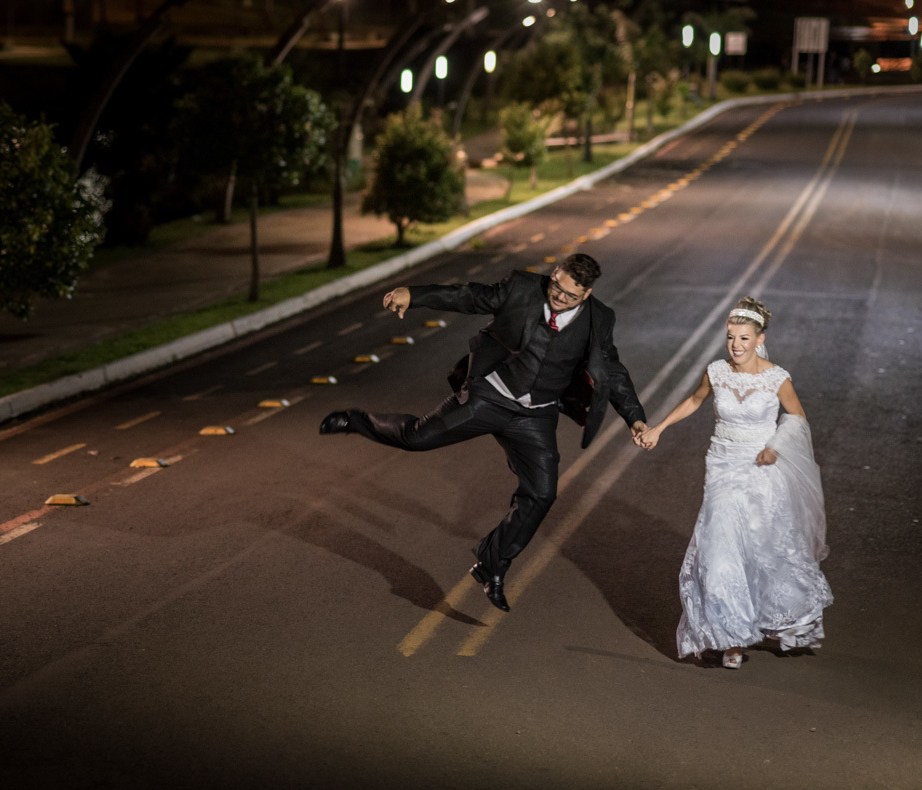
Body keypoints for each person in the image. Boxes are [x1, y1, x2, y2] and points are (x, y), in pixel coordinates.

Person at [319, 253, 647, 612]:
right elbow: (469, 296)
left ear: (586, 294)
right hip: (490, 396)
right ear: (554, 274)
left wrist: (634, 417)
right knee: (418, 437)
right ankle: (354, 420)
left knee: (541, 494)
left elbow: (612, 371)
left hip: (535, 417)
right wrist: (415, 294)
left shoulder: (600, 319)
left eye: (569, 295)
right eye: (556, 286)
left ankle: (492, 565)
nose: (558, 296)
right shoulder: (522, 287)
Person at [637, 298, 833, 669]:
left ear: (760, 339)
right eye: (730, 338)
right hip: (722, 466)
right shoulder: (716, 372)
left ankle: (784, 620)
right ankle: (732, 638)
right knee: (721, 549)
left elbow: (797, 418)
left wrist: (775, 447)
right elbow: (695, 401)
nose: (736, 345)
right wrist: (659, 428)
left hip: (762, 468)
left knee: (765, 548)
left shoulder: (778, 377)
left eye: (744, 338)